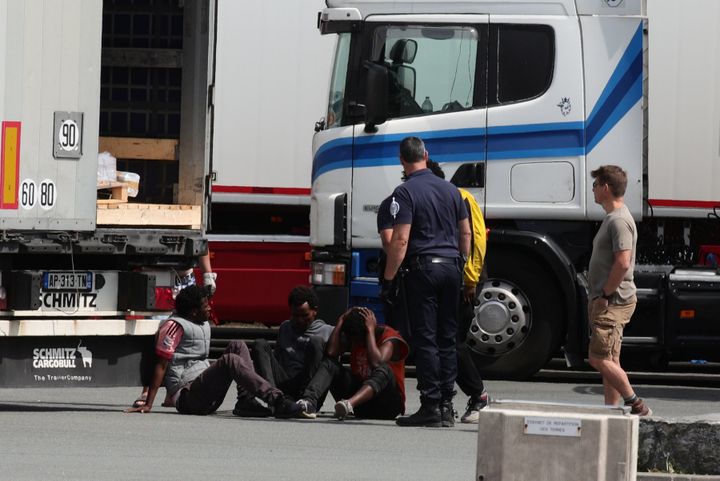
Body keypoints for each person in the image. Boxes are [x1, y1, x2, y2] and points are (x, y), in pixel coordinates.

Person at [382, 136, 471, 427]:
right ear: (426, 155)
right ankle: (447, 404)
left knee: (426, 338)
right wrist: (461, 262)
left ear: (402, 160)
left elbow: (401, 238)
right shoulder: (453, 191)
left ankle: (430, 404)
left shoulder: (404, 193)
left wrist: (389, 276)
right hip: (451, 267)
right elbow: (465, 234)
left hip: (423, 270)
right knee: (448, 337)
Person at [125, 285, 300, 418]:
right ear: (194, 312)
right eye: (205, 305)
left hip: (203, 388)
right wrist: (148, 403)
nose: (209, 308)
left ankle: (246, 401)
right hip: (188, 398)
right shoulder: (174, 326)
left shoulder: (199, 323)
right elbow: (161, 365)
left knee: (237, 345)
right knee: (230, 360)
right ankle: (276, 400)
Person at [426, 160, 490, 424]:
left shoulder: (460, 197)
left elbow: (476, 238)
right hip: (453, 279)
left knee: (453, 343)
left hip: (463, 282)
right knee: (446, 342)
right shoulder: (443, 197)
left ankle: (479, 397)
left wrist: (471, 280)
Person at [587, 165, 651, 416]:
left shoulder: (619, 221)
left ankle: (635, 403)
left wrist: (604, 295)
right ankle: (610, 412)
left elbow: (623, 262)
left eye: (595, 185)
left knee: (598, 358)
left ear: (605, 187)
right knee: (610, 361)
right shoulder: (613, 218)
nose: (592, 189)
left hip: (613, 301)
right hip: (609, 299)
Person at [133, 252, 217, 408]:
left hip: (184, 278)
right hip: (156, 276)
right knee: (158, 339)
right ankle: (146, 391)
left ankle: (170, 395)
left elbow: (202, 239)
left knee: (181, 339)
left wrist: (208, 275)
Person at [294, 307, 409, 420]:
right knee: (330, 364)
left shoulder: (390, 338)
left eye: (360, 340)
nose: (357, 343)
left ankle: (349, 404)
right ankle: (308, 402)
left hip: (387, 406)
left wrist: (370, 331)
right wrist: (340, 321)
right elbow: (331, 353)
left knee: (385, 369)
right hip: (363, 406)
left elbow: (377, 363)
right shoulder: (355, 336)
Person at [251, 286, 333, 402]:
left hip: (308, 387)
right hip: (285, 383)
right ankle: (273, 398)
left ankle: (306, 401)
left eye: (304, 316)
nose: (299, 320)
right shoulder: (285, 327)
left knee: (316, 341)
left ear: (315, 311)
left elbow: (330, 370)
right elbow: (276, 360)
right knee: (259, 344)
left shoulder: (328, 331)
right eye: (295, 316)